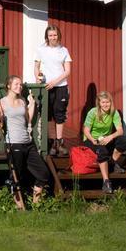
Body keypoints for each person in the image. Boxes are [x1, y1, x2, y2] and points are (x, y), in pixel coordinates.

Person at [0, 75, 51, 204]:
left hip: (28, 143)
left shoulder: (22, 101)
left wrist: (32, 105)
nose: (19, 86)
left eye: (20, 84)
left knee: (43, 173)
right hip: (13, 143)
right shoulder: (1, 102)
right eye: (16, 84)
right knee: (16, 177)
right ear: (8, 86)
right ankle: (20, 208)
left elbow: (28, 120)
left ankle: (36, 205)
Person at [82, 90, 126, 195]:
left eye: (107, 102)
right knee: (102, 151)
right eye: (103, 102)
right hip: (91, 139)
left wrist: (110, 137)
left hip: (106, 138)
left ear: (111, 102)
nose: (105, 104)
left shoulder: (114, 112)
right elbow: (86, 130)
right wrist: (92, 140)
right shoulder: (93, 112)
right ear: (99, 103)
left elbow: (120, 130)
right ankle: (106, 181)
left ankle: (112, 163)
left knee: (124, 141)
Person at [34, 24, 72, 156]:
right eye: (50, 35)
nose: (53, 37)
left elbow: (67, 71)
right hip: (45, 87)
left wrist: (54, 82)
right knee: (46, 113)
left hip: (61, 86)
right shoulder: (41, 49)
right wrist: (37, 78)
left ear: (58, 35)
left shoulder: (64, 50)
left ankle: (59, 143)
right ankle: (49, 141)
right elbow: (36, 67)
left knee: (59, 114)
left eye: (55, 35)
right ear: (47, 36)